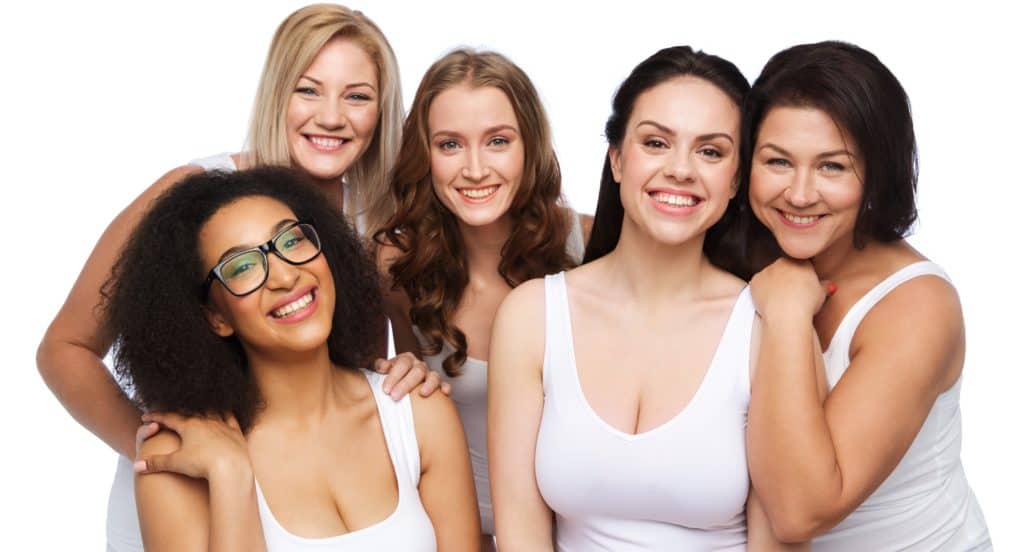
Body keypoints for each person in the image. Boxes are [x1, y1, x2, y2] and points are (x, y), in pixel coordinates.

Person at [35, 5, 440, 551]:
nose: (331, 117)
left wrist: (406, 371)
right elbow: (64, 347)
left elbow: (355, 373)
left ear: (382, 111)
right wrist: (166, 450)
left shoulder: (378, 220)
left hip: (311, 516)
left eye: (357, 96)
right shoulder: (190, 200)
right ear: (277, 92)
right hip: (187, 518)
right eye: (308, 90)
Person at [488, 46, 792, 550]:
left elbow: (780, 537)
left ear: (736, 180)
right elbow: (520, 532)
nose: (681, 169)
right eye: (656, 142)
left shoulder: (765, 324)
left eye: (710, 151)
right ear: (616, 159)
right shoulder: (531, 316)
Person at [108, 167, 479, 550]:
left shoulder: (418, 411)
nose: (284, 276)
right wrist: (230, 475)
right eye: (243, 266)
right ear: (215, 317)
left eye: (292, 240)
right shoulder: (179, 456)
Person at [742, 41, 992, 549]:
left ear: (877, 171)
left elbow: (799, 512)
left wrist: (789, 313)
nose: (799, 193)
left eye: (832, 167)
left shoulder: (916, 305)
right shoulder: (755, 256)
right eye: (777, 162)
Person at [375, 48, 590, 549]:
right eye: (450, 144)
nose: (474, 169)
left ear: (529, 145)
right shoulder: (395, 264)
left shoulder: (589, 247)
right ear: (423, 154)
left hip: (574, 534)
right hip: (454, 534)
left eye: (497, 141)